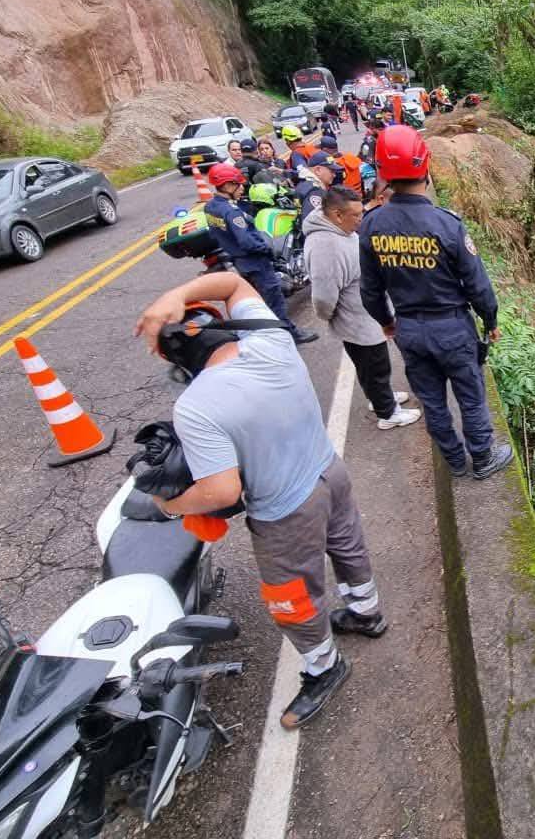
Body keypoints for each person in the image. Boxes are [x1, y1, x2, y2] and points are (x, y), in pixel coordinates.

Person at [135, 272, 386, 729]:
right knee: (348, 546)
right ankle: (367, 612)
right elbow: (232, 285)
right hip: (331, 470)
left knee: (290, 598)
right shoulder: (272, 340)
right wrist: (177, 291)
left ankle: (324, 666)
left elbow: (223, 492)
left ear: (180, 362)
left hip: (285, 512)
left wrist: (170, 506)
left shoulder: (196, 406)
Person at [358, 126, 514, 480]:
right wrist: (490, 321)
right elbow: (478, 285)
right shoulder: (446, 225)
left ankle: (455, 461)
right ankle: (483, 458)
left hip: (410, 329)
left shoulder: (372, 226)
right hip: (452, 327)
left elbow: (370, 290)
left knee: (432, 401)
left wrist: (386, 321)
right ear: (425, 167)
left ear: (383, 174)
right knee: (471, 396)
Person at [303, 185, 421, 430]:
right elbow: (324, 296)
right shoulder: (326, 245)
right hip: (356, 319)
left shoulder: (341, 232)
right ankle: (388, 413)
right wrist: (330, 316)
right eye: (355, 215)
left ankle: (380, 399)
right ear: (336, 214)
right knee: (375, 365)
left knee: (371, 366)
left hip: (364, 314)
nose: (361, 219)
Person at [204, 162, 318, 344]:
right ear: (226, 186)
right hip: (255, 261)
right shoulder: (232, 213)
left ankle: (266, 334)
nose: (242, 188)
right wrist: (266, 249)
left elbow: (216, 234)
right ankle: (289, 334)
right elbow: (246, 241)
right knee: (275, 301)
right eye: (237, 184)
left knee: (257, 300)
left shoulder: (210, 208)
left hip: (239, 261)